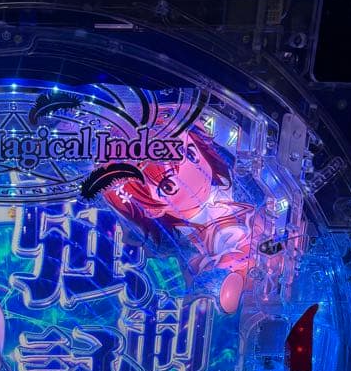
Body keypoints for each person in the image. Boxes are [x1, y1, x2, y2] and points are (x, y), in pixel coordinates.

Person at [104, 125, 270, 314]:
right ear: (150, 209)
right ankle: (243, 274)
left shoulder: (233, 185)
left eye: (191, 154)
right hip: (232, 263)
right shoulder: (186, 239)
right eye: (168, 186)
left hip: (262, 239)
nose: (194, 176)